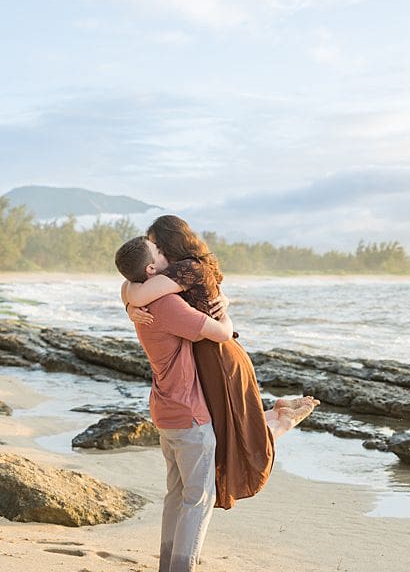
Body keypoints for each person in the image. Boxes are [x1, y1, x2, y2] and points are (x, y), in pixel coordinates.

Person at [122, 215, 315, 509]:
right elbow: (133, 284)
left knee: (233, 434)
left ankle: (283, 421)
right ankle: (280, 415)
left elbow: (137, 290)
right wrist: (129, 303)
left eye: (157, 247)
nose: (155, 254)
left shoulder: (185, 269)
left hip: (219, 356)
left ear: (169, 246)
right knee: (228, 429)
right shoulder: (188, 269)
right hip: (211, 352)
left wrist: (129, 303)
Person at [114, 235, 232, 572]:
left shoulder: (142, 300)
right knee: (198, 500)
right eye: (160, 254)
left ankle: (168, 569)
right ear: (151, 268)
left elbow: (126, 288)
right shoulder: (166, 305)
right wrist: (224, 308)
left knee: (177, 494)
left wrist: (127, 300)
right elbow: (222, 334)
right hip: (190, 414)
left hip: (165, 409)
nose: (166, 255)